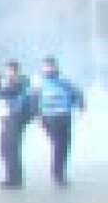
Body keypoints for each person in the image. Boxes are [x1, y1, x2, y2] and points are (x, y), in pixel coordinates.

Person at [35, 57, 84, 187]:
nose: (48, 69)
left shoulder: (64, 82)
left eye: (50, 66)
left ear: (56, 67)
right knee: (58, 144)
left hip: (64, 116)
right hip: (48, 118)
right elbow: (34, 101)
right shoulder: (40, 84)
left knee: (62, 145)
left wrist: (80, 107)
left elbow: (77, 94)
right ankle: (57, 173)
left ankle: (58, 173)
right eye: (46, 67)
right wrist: (38, 116)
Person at [0, 60, 32, 189]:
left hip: (16, 117)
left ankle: (14, 179)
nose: (7, 73)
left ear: (15, 71)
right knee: (6, 147)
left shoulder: (20, 83)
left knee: (10, 148)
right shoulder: (17, 82)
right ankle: (12, 177)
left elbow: (2, 94)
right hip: (10, 117)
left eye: (9, 70)